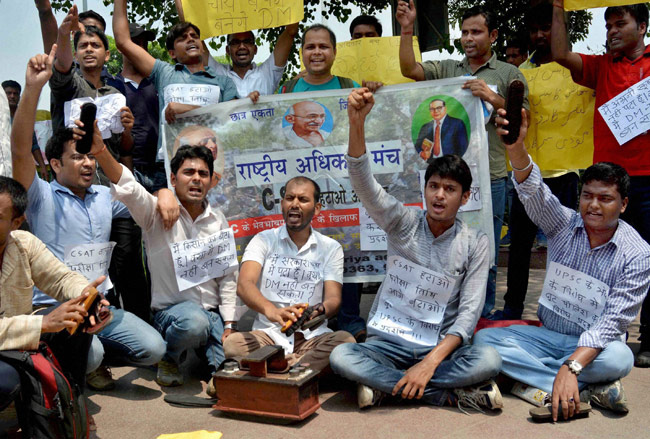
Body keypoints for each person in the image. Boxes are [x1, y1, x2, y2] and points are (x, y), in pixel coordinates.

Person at [329, 88, 502, 412]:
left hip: (438, 348)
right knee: (341, 356)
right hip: (388, 345)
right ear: (424, 190)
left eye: (449, 189)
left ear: (464, 198)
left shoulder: (475, 242)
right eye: (433, 186)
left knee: (488, 359)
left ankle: (387, 386)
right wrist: (356, 124)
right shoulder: (402, 222)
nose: (439, 195)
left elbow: (468, 316)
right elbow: (364, 183)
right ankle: (446, 395)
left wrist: (429, 363)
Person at [474, 107, 650, 420]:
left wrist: (574, 364)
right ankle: (582, 388)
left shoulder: (638, 253)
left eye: (605, 199)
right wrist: (516, 148)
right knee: (485, 340)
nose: (593, 205)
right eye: (587, 196)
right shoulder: (563, 223)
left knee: (621, 358)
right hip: (547, 337)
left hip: (596, 348)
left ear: (623, 204)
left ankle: (536, 381)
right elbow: (534, 193)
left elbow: (612, 323)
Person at [11, 46, 166, 392]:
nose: (88, 164)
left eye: (90, 157)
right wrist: (33, 88)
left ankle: (89, 355)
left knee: (154, 348)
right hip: (55, 310)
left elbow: (143, 203)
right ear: (54, 165)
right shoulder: (41, 196)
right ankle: (73, 359)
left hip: (102, 305)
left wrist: (165, 191)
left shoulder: (103, 198)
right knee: (90, 355)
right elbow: (21, 150)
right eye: (78, 157)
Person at [91, 122, 245, 394]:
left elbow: (229, 276)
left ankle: (209, 361)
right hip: (174, 315)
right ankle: (169, 358)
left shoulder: (219, 220)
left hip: (213, 316)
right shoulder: (154, 213)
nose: (196, 178)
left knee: (228, 374)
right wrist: (102, 151)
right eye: (188, 172)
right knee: (194, 322)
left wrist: (230, 325)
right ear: (173, 179)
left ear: (211, 181)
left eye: (203, 173)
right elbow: (129, 187)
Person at [398, 0, 530, 317]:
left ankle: (480, 317)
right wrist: (406, 29)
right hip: (450, 180)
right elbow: (409, 70)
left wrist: (491, 95)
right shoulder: (447, 69)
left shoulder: (510, 72)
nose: (468, 38)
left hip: (491, 179)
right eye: (464, 32)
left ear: (493, 35)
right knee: (444, 250)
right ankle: (443, 315)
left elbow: (522, 117)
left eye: (476, 32)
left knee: (486, 254)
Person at [552, 1, 650, 368]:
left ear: (642, 26)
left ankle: (648, 339)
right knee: (605, 260)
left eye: (619, 23)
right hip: (608, 183)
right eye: (607, 24)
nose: (611, 30)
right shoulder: (600, 66)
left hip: (648, 178)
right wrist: (559, 7)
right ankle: (605, 336)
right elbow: (561, 52)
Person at [491, 3, 579, 321]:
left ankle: (561, 311)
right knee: (519, 247)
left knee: (565, 248)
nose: (541, 35)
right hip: (526, 172)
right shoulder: (520, 73)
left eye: (547, 29)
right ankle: (513, 306)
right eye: (535, 30)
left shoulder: (576, 70)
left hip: (565, 172)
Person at [0, 176, 106, 434]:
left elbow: (61, 278)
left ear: (16, 222)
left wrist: (88, 297)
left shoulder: (23, 244)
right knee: (6, 380)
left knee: (76, 318)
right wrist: (43, 323)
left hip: (15, 342)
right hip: (11, 344)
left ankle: (68, 407)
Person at [224, 177, 355, 370]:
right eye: (289, 198)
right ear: (282, 203)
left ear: (317, 208)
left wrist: (319, 310)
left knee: (346, 342)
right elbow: (244, 285)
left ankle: (278, 369)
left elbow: (334, 300)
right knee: (234, 344)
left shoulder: (331, 248)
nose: (295, 204)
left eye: (303, 200)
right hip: (267, 337)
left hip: (312, 338)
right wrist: (272, 311)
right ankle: (298, 370)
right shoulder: (263, 240)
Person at [279, 24, 362, 93]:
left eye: (323, 47)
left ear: (334, 52)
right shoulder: (286, 91)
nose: (317, 52)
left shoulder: (353, 88)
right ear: (302, 53)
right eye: (310, 47)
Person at [1, 81, 48, 180]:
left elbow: (33, 144)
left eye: (15, 93)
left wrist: (42, 165)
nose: (12, 96)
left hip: (21, 168)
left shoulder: (25, 118)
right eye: (8, 93)